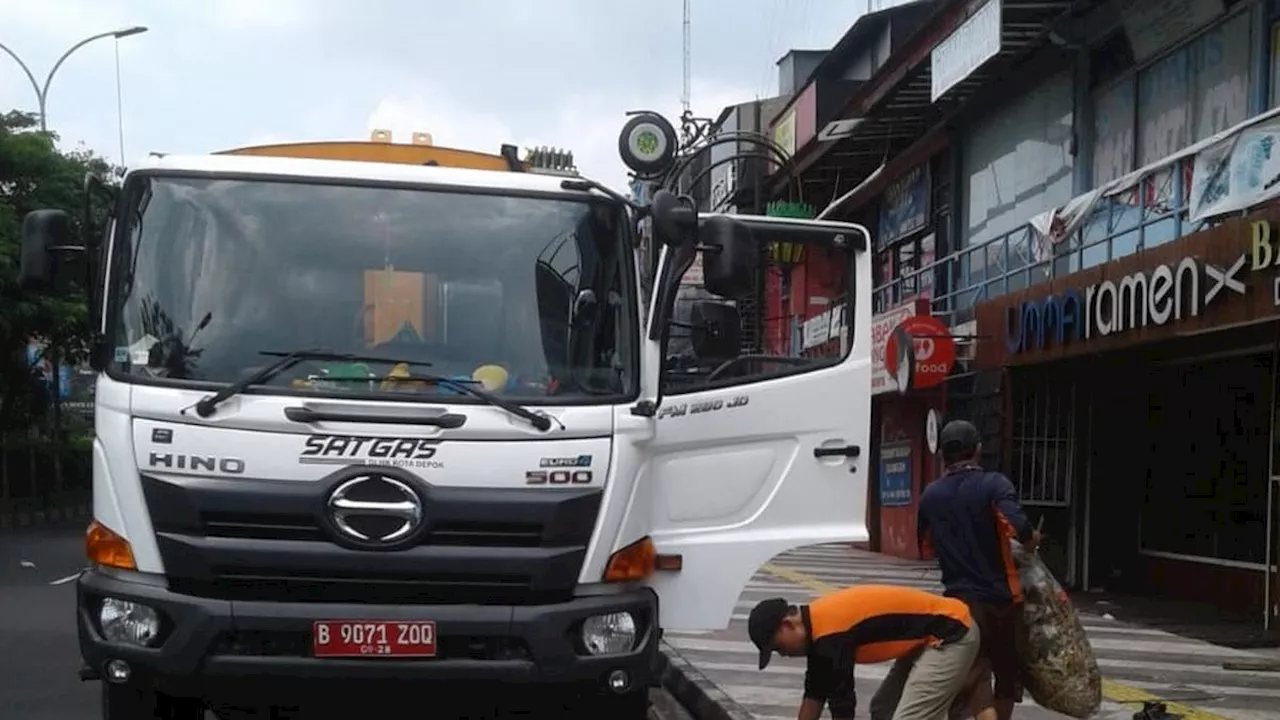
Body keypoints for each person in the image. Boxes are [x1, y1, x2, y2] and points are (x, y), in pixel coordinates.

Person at [917, 419, 1041, 720]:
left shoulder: (930, 495)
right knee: (1006, 673)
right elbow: (1020, 529)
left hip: (959, 603)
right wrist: (1032, 541)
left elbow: (925, 548)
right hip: (1002, 599)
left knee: (973, 671)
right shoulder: (995, 484)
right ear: (979, 450)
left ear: (942, 454)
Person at [748, 584, 981, 720]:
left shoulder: (831, 635)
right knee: (883, 710)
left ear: (788, 625)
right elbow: (815, 693)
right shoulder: (819, 631)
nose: (783, 654)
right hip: (923, 639)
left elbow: (843, 705)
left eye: (778, 647)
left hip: (951, 633)